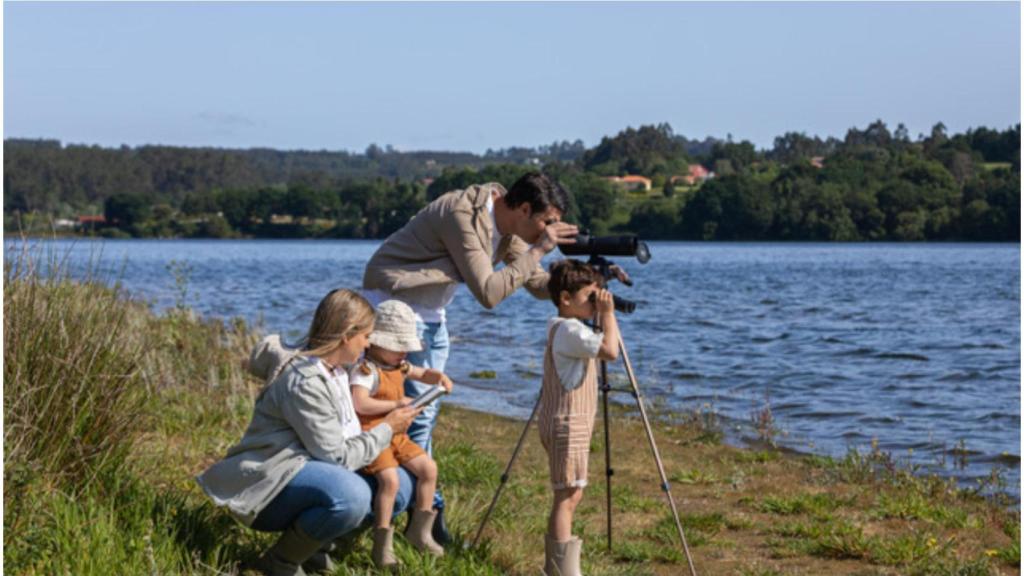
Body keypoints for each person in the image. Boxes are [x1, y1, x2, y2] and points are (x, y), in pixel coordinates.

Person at [362, 171, 578, 542]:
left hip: (431, 317)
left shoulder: (511, 226)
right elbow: (490, 293)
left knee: (422, 418)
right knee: (416, 418)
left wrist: (578, 276)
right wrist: (540, 249)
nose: (549, 230)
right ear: (524, 209)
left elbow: (536, 284)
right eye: (547, 221)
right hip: (396, 312)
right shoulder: (463, 214)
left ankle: (415, 514)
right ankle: (423, 517)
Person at [196, 289, 421, 576]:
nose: (369, 344)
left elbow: (388, 370)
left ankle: (316, 549)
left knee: (399, 485)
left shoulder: (339, 368)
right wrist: (388, 428)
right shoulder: (305, 382)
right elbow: (337, 457)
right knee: (351, 494)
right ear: (346, 336)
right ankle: (282, 561)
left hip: (307, 469)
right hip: (270, 483)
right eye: (366, 337)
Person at [349, 300, 454, 568]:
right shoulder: (366, 371)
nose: (404, 352)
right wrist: (396, 404)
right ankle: (381, 543)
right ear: (374, 342)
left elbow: (421, 373)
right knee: (390, 482)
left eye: (406, 346)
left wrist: (437, 377)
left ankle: (419, 530)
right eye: (397, 347)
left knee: (429, 469)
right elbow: (359, 403)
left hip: (399, 436)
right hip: (375, 435)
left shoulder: (400, 365)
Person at [537, 259, 620, 576]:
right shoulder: (570, 330)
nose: (595, 303)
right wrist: (608, 316)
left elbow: (606, 346)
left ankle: (559, 565)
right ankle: (561, 570)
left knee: (572, 491)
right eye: (590, 297)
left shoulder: (567, 326)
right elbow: (611, 352)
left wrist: (603, 314)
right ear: (565, 299)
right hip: (567, 422)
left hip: (569, 421)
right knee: (567, 494)